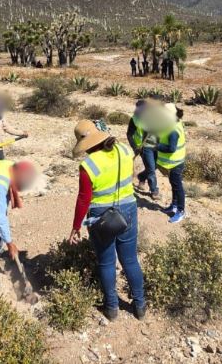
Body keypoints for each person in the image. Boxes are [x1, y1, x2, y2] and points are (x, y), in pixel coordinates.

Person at [69, 120, 145, 321]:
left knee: (106, 262)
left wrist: (76, 227)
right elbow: (130, 176)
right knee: (130, 260)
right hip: (128, 208)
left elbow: (84, 198)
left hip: (100, 216)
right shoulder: (125, 151)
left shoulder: (88, 165)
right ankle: (140, 306)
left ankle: (111, 308)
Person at [156, 104, 187, 223]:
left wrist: (156, 146)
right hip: (173, 163)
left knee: (177, 186)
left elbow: (171, 148)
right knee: (174, 185)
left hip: (175, 163)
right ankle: (173, 206)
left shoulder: (173, 130)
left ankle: (181, 210)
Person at [127, 100, 160, 199]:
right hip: (144, 147)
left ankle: (141, 177)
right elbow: (129, 134)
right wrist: (134, 147)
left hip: (157, 146)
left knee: (155, 166)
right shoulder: (135, 120)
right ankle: (154, 191)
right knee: (151, 169)